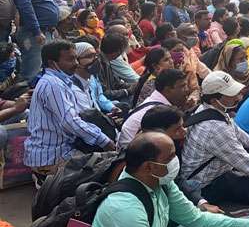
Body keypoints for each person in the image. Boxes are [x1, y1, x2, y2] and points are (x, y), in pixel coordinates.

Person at [92, 131, 249, 227]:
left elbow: (195, 219)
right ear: (149, 166)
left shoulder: (161, 182)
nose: (176, 161)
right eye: (170, 157)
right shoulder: (125, 210)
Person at [24, 40, 116, 184]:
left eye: (75, 58)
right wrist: (104, 140)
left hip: (60, 148)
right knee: (106, 169)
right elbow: (71, 121)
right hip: (52, 154)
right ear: (53, 63)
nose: (76, 63)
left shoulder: (59, 81)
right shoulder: (53, 85)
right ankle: (47, 179)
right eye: (70, 59)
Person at [181, 71, 249, 205]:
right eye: (231, 94)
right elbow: (243, 161)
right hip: (204, 184)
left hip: (217, 168)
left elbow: (238, 132)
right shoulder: (214, 128)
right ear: (214, 99)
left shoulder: (211, 110)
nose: (238, 96)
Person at [119, 69, 189, 148]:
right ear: (168, 90)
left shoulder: (156, 101)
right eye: (182, 86)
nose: (187, 90)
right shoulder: (160, 112)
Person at [71, 42, 122, 116]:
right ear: (76, 61)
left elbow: (99, 96)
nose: (95, 59)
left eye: (95, 55)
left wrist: (111, 108)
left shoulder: (93, 77)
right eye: (89, 56)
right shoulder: (72, 86)